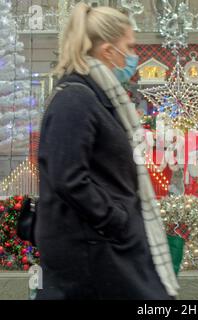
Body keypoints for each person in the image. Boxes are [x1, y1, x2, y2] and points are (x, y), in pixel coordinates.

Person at [35, 3, 179, 300]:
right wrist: (116, 220)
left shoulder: (97, 97)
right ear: (107, 50)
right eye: (129, 45)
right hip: (93, 253)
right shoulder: (76, 99)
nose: (133, 55)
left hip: (102, 249)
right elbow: (68, 177)